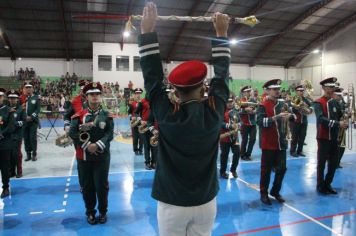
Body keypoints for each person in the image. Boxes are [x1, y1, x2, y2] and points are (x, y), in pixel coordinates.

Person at [139, 3, 230, 235]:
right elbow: (222, 79)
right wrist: (221, 34)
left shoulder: (168, 114)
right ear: (203, 88)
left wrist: (147, 33)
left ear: (175, 92)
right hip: (206, 201)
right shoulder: (214, 112)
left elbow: (152, 79)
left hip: (172, 202)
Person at [69, 82, 114, 225]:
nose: (95, 96)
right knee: (87, 187)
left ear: (100, 96)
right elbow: (73, 133)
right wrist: (88, 145)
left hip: (102, 157)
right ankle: (90, 212)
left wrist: (98, 145)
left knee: (101, 186)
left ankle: (102, 212)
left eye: (97, 94)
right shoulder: (79, 116)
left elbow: (109, 133)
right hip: (84, 157)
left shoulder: (107, 115)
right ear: (86, 97)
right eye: (91, 94)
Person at [257, 79, 296, 205]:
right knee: (266, 170)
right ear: (267, 90)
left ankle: (275, 191)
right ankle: (263, 193)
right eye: (274, 89)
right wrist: (275, 118)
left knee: (282, 169)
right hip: (268, 143)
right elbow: (260, 122)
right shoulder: (262, 105)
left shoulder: (283, 103)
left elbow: (294, 116)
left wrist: (291, 116)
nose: (277, 91)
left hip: (282, 142)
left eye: (278, 89)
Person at [314, 77, 347, 195]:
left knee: (333, 163)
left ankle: (328, 184)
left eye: (333, 87)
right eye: (329, 87)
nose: (332, 89)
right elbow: (320, 118)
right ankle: (320, 185)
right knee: (321, 163)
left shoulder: (335, 102)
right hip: (323, 137)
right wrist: (338, 124)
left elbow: (340, 115)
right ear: (323, 88)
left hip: (334, 137)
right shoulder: (318, 102)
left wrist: (346, 118)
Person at [64, 79, 89, 192]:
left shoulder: (95, 100)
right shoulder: (75, 101)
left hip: (93, 135)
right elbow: (67, 116)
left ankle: (92, 181)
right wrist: (67, 125)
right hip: (79, 136)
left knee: (93, 159)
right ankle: (83, 184)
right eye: (82, 87)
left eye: (86, 87)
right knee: (81, 160)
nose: (83, 89)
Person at [289, 85, 313, 157]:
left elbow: (311, 105)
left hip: (304, 121)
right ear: (296, 91)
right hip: (295, 121)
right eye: (299, 91)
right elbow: (290, 108)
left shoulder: (305, 99)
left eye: (302, 91)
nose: (301, 92)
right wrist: (298, 107)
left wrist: (310, 109)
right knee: (295, 137)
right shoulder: (293, 99)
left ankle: (300, 151)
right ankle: (293, 151)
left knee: (302, 137)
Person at [0, 88, 15, 198]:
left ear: (2, 98)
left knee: (4, 166)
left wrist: (1, 134)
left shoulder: (8, 110)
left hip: (4, 143)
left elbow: (11, 127)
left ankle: (5, 187)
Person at [219, 97, 240, 179]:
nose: (229, 103)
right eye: (228, 102)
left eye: (231, 102)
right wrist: (229, 126)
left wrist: (239, 125)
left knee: (237, 153)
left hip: (235, 137)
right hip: (225, 137)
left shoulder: (235, 111)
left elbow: (240, 121)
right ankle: (223, 172)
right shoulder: (221, 111)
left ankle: (233, 170)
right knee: (224, 155)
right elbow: (220, 122)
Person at [7, 90, 26, 178]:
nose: (12, 100)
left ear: (17, 99)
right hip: (8, 135)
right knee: (9, 154)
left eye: (14, 98)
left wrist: (14, 124)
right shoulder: (6, 108)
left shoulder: (21, 109)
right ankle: (11, 171)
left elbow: (24, 121)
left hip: (17, 134)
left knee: (16, 153)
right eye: (10, 98)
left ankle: (19, 171)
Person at [135, 94, 156, 169]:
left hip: (154, 126)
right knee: (146, 145)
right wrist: (140, 120)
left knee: (154, 145)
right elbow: (136, 113)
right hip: (144, 127)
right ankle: (147, 163)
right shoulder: (142, 101)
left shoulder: (155, 101)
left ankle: (154, 162)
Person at [23, 82, 40, 161]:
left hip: (33, 121)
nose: (28, 89)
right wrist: (24, 117)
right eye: (27, 88)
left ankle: (34, 154)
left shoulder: (36, 97)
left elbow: (38, 109)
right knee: (26, 138)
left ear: (32, 89)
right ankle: (28, 154)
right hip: (25, 121)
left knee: (32, 138)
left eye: (30, 88)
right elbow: (20, 108)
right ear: (25, 89)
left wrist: (31, 116)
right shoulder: (22, 98)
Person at [239, 86, 257, 161]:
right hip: (244, 123)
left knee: (253, 139)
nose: (248, 93)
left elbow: (258, 108)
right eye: (247, 91)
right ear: (243, 93)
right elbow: (237, 110)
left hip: (253, 123)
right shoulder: (241, 100)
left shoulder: (253, 100)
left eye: (249, 91)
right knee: (244, 140)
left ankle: (248, 154)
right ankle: (242, 155)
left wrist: (255, 111)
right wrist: (245, 109)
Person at [334, 87, 347, 168]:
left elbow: (343, 115)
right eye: (338, 95)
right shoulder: (332, 103)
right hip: (335, 127)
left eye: (340, 95)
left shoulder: (342, 103)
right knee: (335, 147)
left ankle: (337, 162)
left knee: (342, 147)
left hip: (342, 128)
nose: (340, 97)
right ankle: (334, 162)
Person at [128, 88, 144, 155]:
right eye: (137, 93)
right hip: (134, 123)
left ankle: (140, 150)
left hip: (142, 123)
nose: (138, 95)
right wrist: (131, 117)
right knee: (135, 138)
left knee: (141, 137)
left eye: (139, 93)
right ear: (135, 94)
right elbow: (129, 113)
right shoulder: (132, 103)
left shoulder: (143, 102)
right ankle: (135, 150)